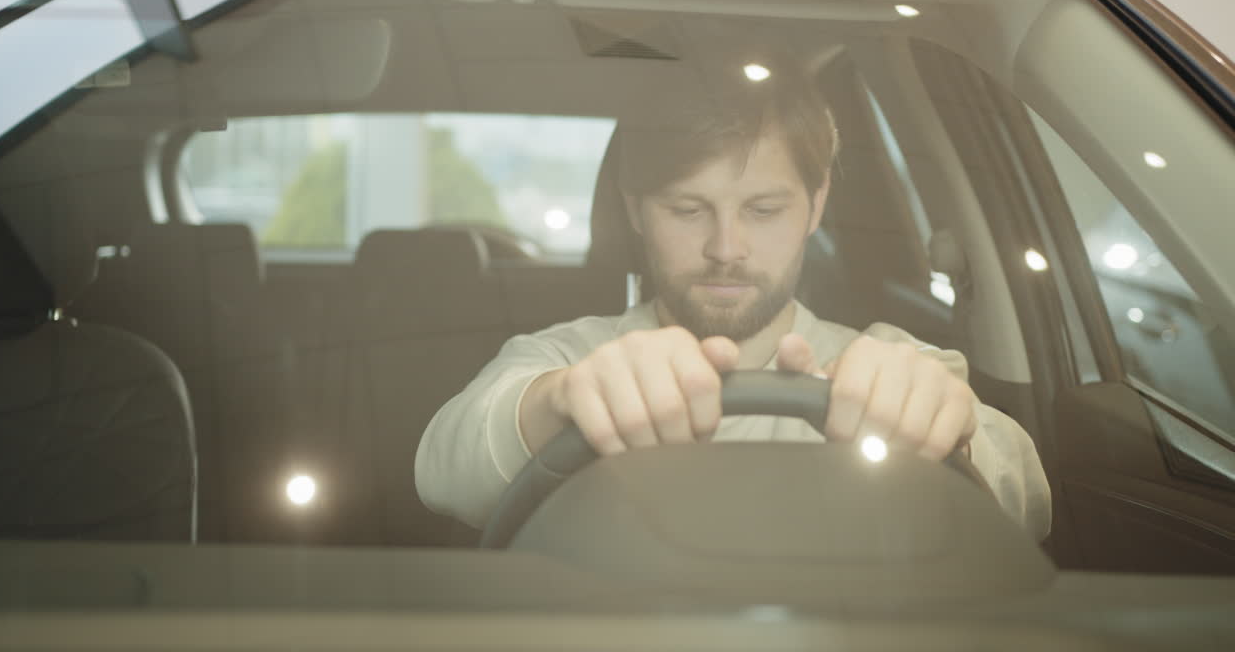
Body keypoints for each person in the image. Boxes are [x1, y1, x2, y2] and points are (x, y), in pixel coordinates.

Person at [415, 75, 1052, 541]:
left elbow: (1024, 503)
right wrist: (559, 403)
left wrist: (948, 428)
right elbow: (445, 473)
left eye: (763, 210)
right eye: (687, 209)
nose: (726, 248)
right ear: (636, 209)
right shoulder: (570, 357)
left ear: (816, 205)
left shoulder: (890, 361)